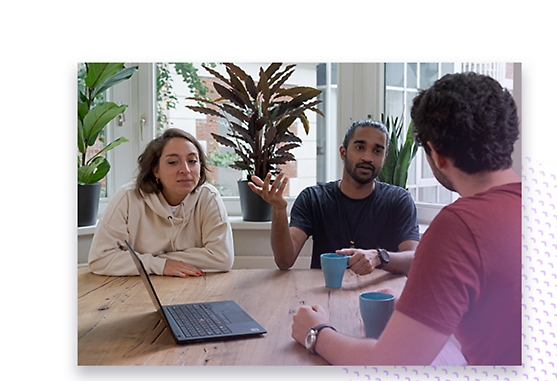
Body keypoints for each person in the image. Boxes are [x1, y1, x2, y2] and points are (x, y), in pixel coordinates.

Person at [291, 72, 522, 366]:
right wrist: (423, 311)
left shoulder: (458, 227)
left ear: (435, 156)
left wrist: (315, 332)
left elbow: (388, 364)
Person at [249, 119, 420, 276]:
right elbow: (284, 261)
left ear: (384, 159)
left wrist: (379, 257)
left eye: (377, 151)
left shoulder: (399, 200)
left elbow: (414, 260)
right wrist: (278, 210)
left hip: (378, 298)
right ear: (343, 152)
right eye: (360, 147)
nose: (367, 158)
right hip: (325, 297)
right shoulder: (313, 198)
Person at [88, 128, 235, 277]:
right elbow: (100, 259)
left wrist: (152, 261)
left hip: (193, 286)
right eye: (173, 162)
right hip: (136, 289)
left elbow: (222, 258)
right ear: (156, 170)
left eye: (192, 161)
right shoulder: (128, 197)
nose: (185, 170)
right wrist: (158, 265)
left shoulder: (208, 197)